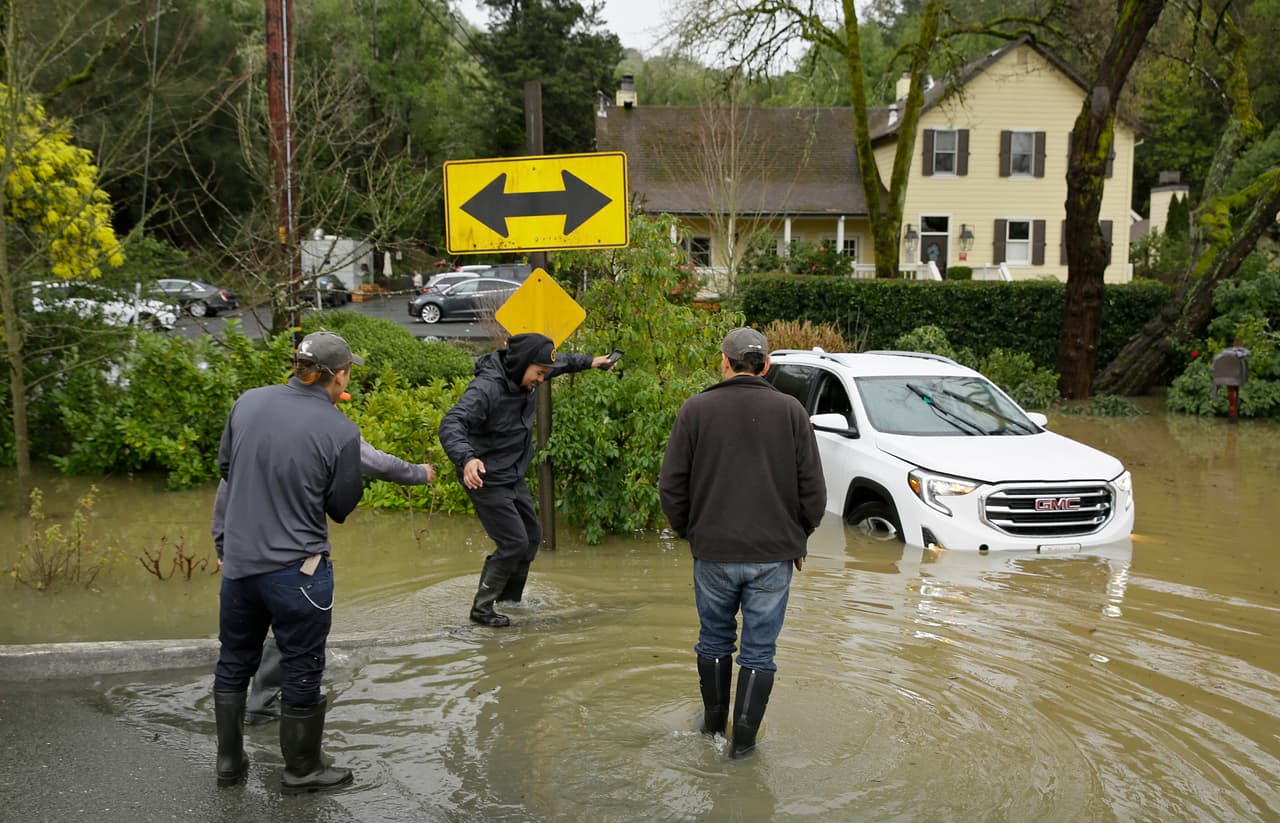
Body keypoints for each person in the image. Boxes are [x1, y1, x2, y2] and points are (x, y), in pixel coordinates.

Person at [659, 327, 826, 758]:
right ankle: (743, 747)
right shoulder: (791, 411)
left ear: (723, 361)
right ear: (766, 366)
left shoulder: (695, 410)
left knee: (713, 641)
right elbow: (814, 490)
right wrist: (799, 538)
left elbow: (671, 487)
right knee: (759, 651)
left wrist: (689, 532)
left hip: (712, 551)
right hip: (773, 556)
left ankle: (713, 730)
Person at [211, 330, 364, 793]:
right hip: (297, 573)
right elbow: (340, 506)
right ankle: (302, 770)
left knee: (234, 661)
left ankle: (229, 764)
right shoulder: (340, 429)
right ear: (337, 376)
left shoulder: (248, 402)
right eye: (347, 372)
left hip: (238, 570)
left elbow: (226, 469)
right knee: (302, 666)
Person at [223, 440, 436, 725]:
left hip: (246, 556)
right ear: (332, 392)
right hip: (294, 558)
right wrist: (420, 473)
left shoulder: (256, 424)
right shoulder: (327, 427)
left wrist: (221, 544)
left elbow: (227, 486)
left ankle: (235, 750)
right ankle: (296, 756)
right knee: (299, 643)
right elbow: (376, 463)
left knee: (238, 655)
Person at [439, 332, 616, 627]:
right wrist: (467, 458)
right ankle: (482, 610)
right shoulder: (487, 389)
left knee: (532, 536)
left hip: (512, 473)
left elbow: (562, 363)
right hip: (484, 476)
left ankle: (508, 601)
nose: (542, 379)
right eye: (539, 374)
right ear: (522, 364)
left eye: (545, 373)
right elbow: (452, 422)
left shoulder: (531, 371)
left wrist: (593, 362)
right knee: (513, 543)